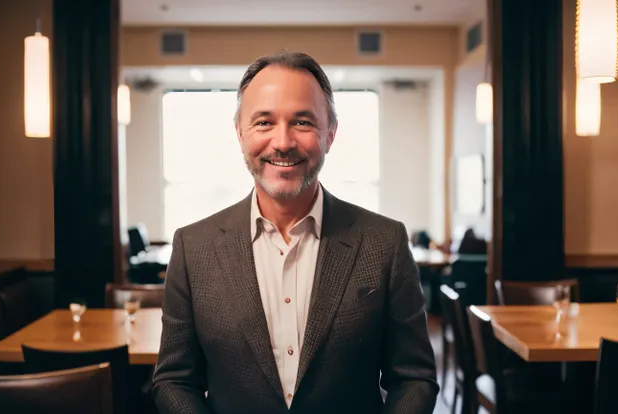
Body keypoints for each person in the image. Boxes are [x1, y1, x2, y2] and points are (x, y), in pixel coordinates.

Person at [151, 51, 438, 414]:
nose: (283, 142)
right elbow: (174, 380)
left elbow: (414, 379)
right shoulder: (194, 248)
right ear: (240, 133)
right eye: (264, 123)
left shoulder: (385, 243)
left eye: (302, 122)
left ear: (330, 134)